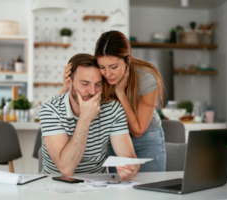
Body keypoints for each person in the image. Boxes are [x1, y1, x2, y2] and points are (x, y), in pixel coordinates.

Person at [60, 31, 166, 172]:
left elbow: (138, 131)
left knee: (150, 188)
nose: (107, 74)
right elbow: (58, 108)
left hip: (146, 139)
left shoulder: (145, 78)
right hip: (114, 137)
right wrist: (67, 85)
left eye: (114, 67)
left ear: (128, 59)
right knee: (119, 188)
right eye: (102, 67)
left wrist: (120, 93)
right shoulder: (98, 74)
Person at [40, 53, 140, 179]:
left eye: (98, 84)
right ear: (69, 82)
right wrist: (85, 118)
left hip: (97, 186)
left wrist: (131, 167)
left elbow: (129, 156)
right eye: (85, 84)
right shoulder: (50, 110)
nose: (92, 92)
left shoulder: (113, 109)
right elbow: (66, 168)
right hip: (55, 186)